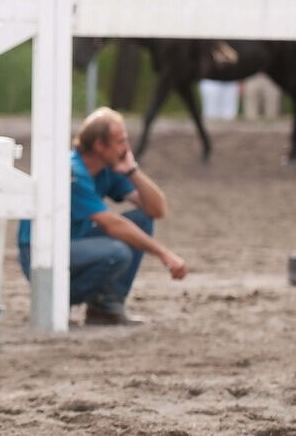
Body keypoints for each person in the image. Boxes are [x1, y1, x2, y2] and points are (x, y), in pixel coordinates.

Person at [17, 107, 188, 326]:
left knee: (142, 220)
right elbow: (112, 225)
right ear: (99, 145)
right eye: (120, 142)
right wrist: (164, 254)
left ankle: (106, 308)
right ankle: (57, 301)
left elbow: (157, 210)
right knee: (117, 252)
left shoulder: (107, 168)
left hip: (72, 241)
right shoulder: (72, 173)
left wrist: (132, 170)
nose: (126, 148)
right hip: (39, 251)